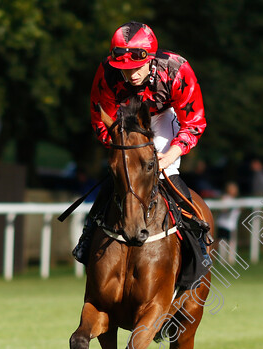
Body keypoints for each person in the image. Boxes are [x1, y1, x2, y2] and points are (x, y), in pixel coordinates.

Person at [73, 21, 207, 264]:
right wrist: (122, 153)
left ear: (150, 58)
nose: (131, 75)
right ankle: (88, 236)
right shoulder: (107, 72)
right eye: (124, 69)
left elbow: (194, 123)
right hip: (124, 121)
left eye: (137, 67)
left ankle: (197, 243)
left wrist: (170, 155)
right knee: (121, 173)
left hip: (163, 115)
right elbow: (100, 121)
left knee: (167, 172)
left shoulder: (177, 69)